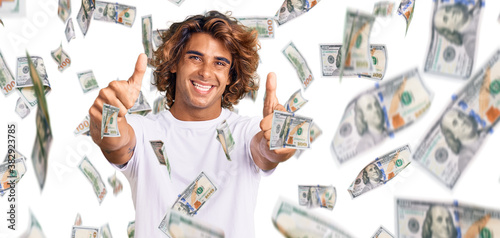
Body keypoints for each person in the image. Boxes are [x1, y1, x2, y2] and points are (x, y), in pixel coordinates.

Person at [88, 11, 295, 237]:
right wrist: (106, 118)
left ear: (230, 75)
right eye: (195, 58)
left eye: (220, 63)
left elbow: (265, 151)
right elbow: (115, 142)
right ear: (175, 62)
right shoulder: (145, 131)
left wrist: (278, 141)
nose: (206, 72)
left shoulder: (245, 132)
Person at [440, 108, 484, 173]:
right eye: (455, 123)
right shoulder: (465, 160)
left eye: (460, 116)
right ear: (453, 135)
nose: (462, 121)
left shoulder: (487, 131)